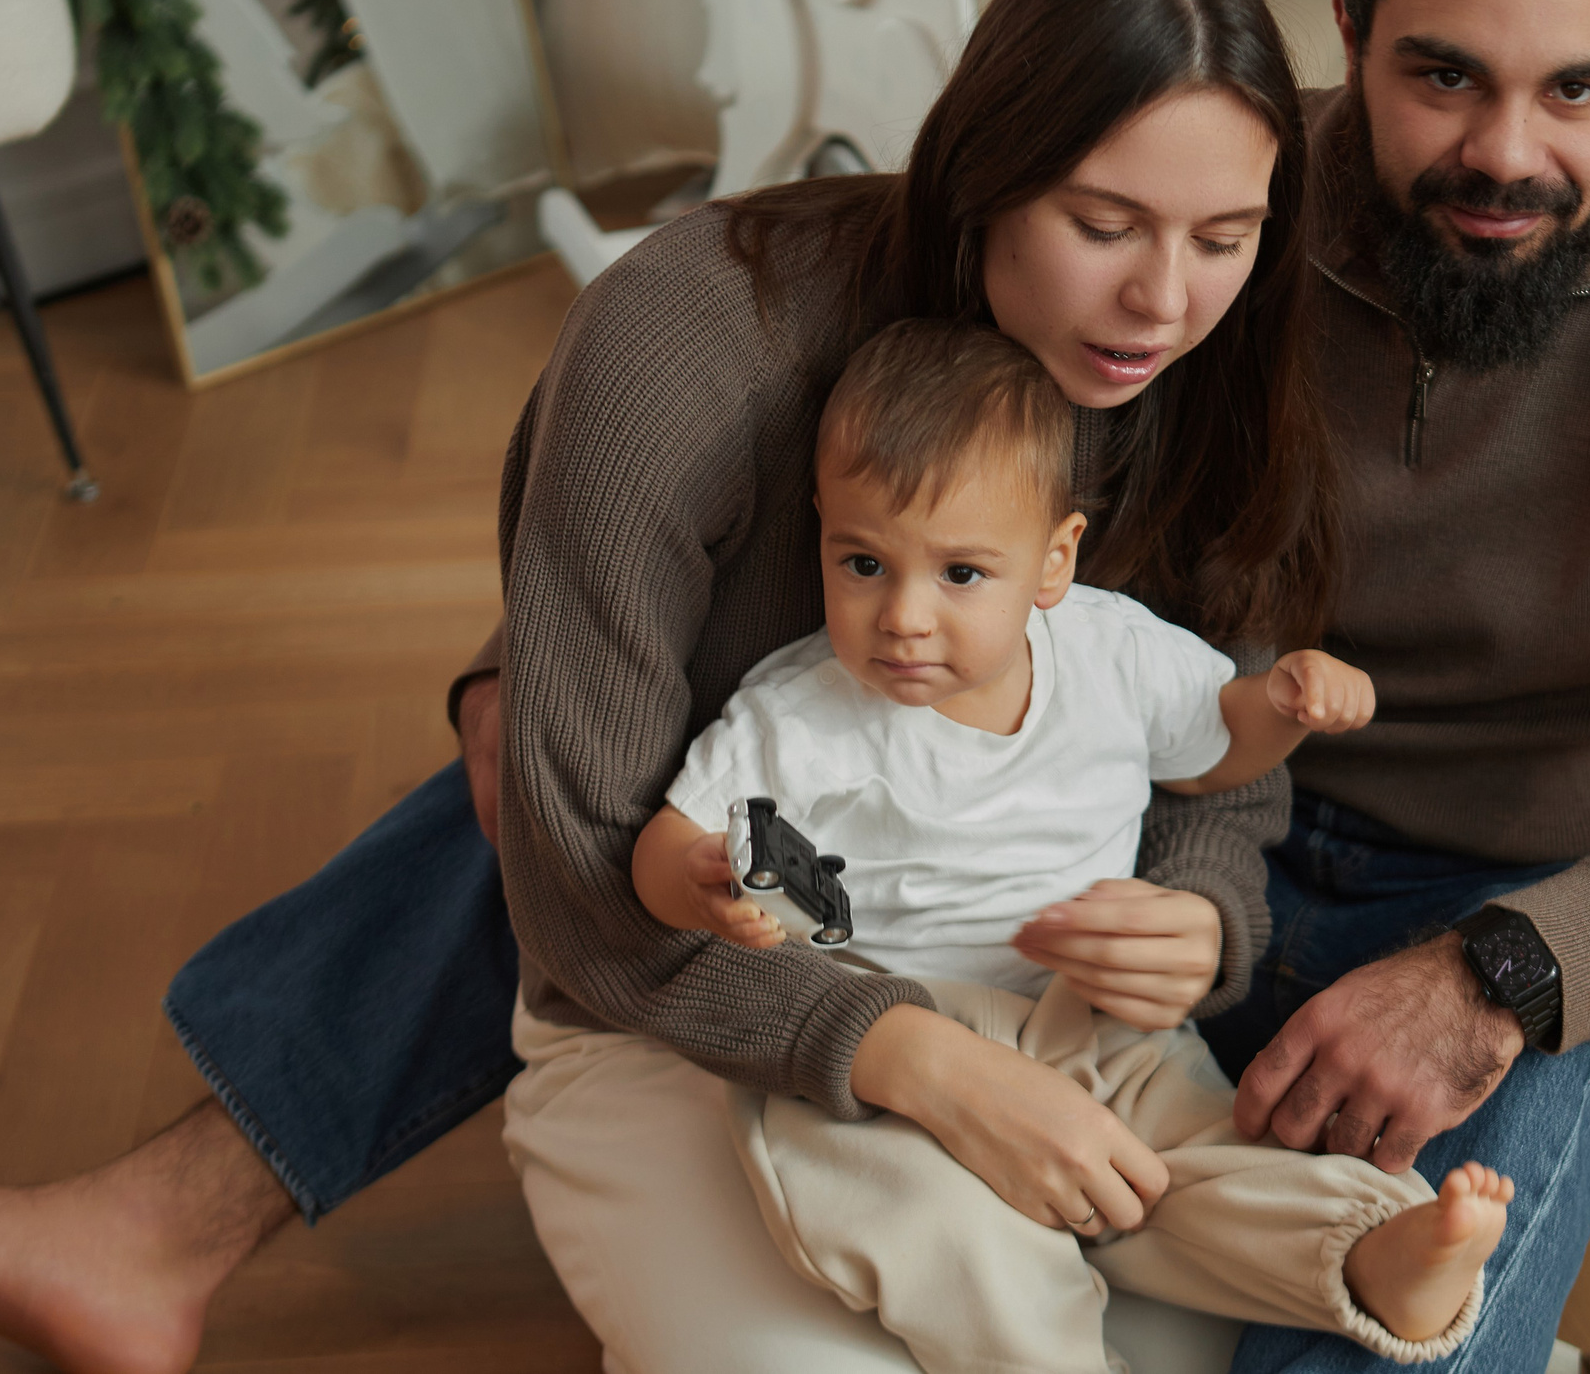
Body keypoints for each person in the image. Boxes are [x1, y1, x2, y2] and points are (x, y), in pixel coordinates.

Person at [0, 0, 1590, 1374]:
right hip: (1125, 828)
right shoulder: (1217, 211)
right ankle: (161, 1217)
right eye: (1441, 75)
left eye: (1577, 89)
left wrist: (1514, 967)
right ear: (1351, 39)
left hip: (1507, 910)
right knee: (667, 784)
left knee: (1373, 1270)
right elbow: (967, 586)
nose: (1501, 146)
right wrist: (550, 666)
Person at [629, 315, 1509, 1372]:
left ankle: (1366, 1249)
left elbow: (1211, 753)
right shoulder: (801, 712)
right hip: (884, 1038)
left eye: (961, 575)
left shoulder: (1111, 653)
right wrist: (696, 880)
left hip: (1091, 1019)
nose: (903, 617)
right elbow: (662, 847)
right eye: (862, 562)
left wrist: (1282, 702)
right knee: (927, 1226)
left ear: (1054, 562)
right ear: (819, 531)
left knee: (1203, 1155)